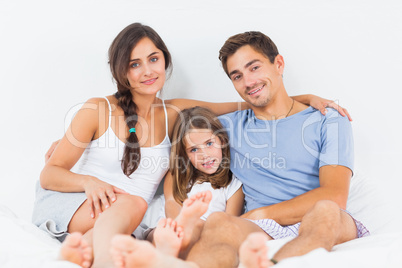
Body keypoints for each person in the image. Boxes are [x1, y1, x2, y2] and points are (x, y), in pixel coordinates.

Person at [36, 23, 349, 268]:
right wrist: (82, 158)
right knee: (180, 215)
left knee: (322, 210)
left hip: (124, 225)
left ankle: (276, 264)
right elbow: (53, 172)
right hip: (92, 205)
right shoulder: (99, 110)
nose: (248, 82)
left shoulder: (326, 119)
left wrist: (307, 100)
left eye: (154, 59)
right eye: (237, 75)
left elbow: (335, 195)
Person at [144, 106, 244, 259]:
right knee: (155, 234)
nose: (204, 155)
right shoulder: (178, 174)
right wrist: (179, 227)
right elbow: (171, 203)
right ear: (185, 154)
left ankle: (175, 247)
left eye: (209, 143)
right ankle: (172, 241)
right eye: (194, 150)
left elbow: (230, 222)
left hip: (205, 233)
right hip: (170, 227)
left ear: (222, 141)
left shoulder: (233, 184)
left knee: (200, 230)